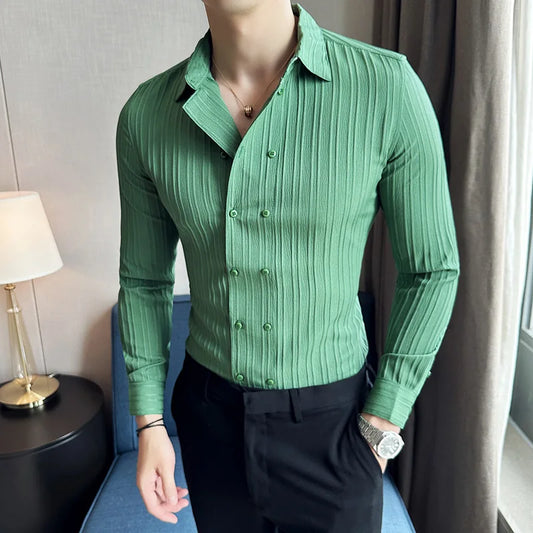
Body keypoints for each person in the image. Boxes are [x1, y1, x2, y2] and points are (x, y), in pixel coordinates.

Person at [115, 1, 460, 531]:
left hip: (337, 429)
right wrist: (149, 423)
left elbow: (431, 269)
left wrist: (383, 421)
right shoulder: (146, 115)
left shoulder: (386, 88)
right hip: (210, 421)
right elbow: (144, 280)